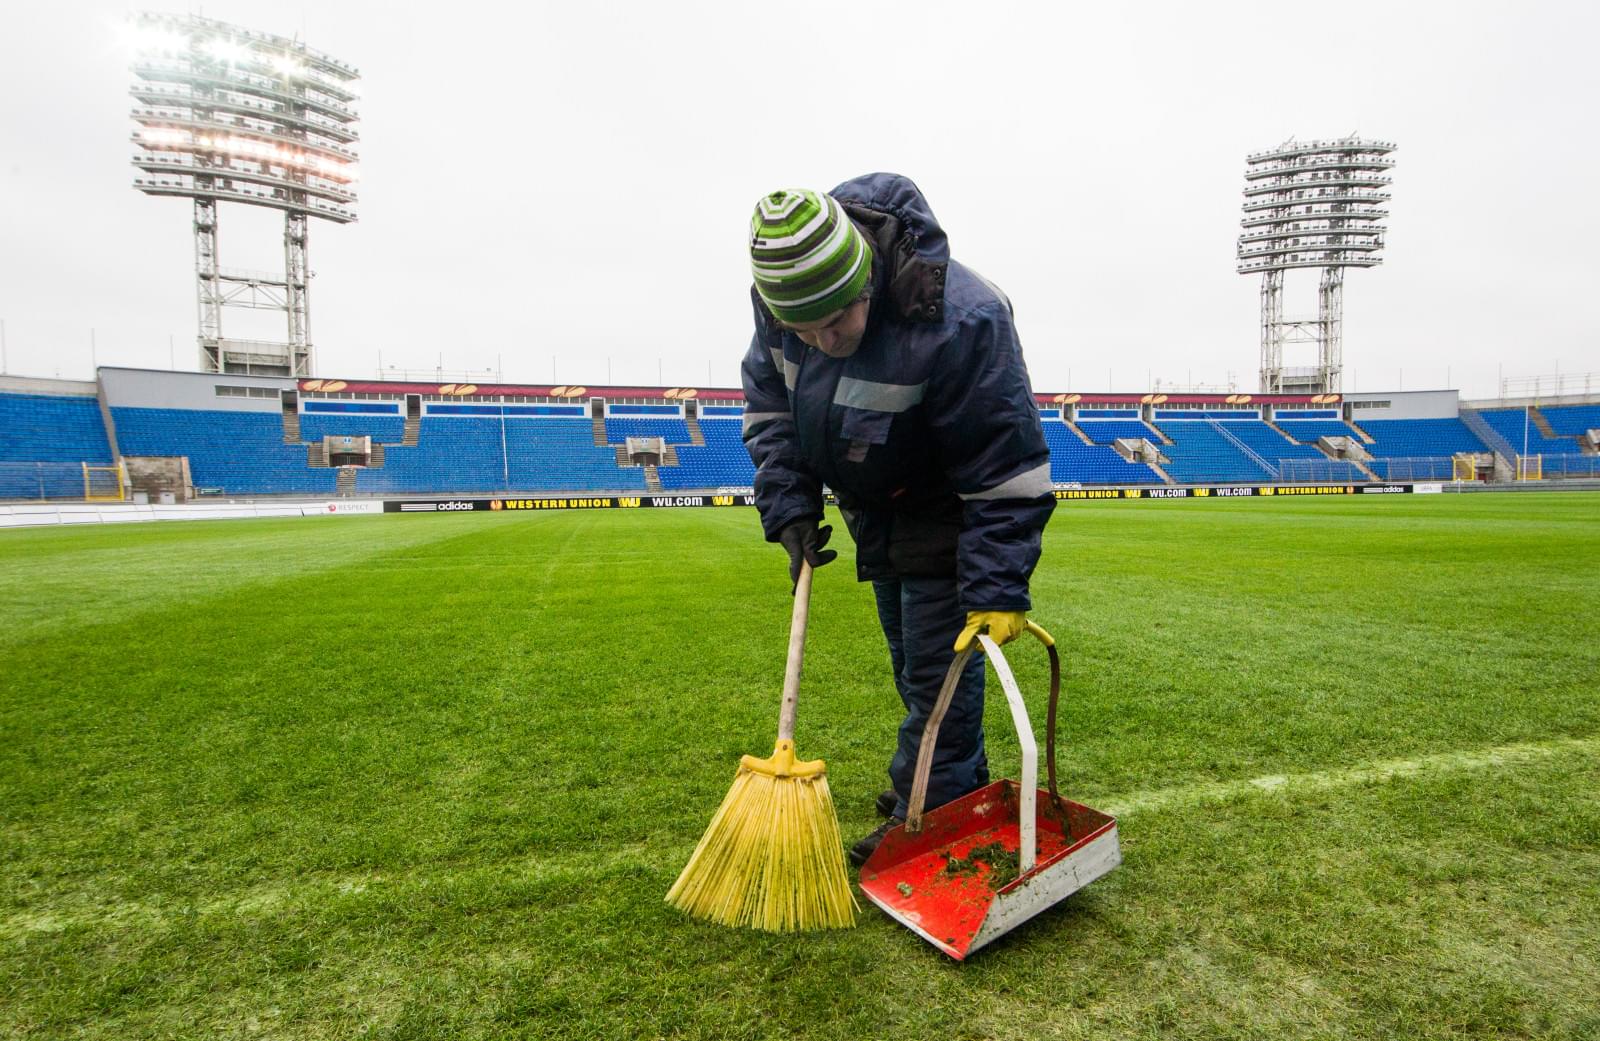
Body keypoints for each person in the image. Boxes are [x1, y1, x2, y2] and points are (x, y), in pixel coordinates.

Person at [740, 173, 1055, 866]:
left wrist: (999, 585)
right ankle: (937, 777)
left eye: (837, 321)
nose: (822, 341)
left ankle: (938, 806)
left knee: (934, 668)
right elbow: (772, 411)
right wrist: (788, 505)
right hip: (874, 503)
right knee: (909, 658)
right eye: (804, 329)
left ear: (866, 284)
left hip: (947, 505)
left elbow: (1007, 464)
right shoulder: (779, 310)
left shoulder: (963, 318)